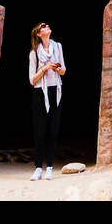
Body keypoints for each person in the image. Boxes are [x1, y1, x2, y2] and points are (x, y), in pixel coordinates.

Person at [28, 21, 66, 180]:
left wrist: (56, 68)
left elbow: (63, 71)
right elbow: (32, 80)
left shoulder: (58, 47)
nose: (46, 27)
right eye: (43, 26)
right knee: (40, 131)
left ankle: (49, 167)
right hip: (40, 93)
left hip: (55, 91)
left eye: (47, 25)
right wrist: (44, 68)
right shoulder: (34, 53)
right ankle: (38, 168)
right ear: (38, 34)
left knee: (53, 130)